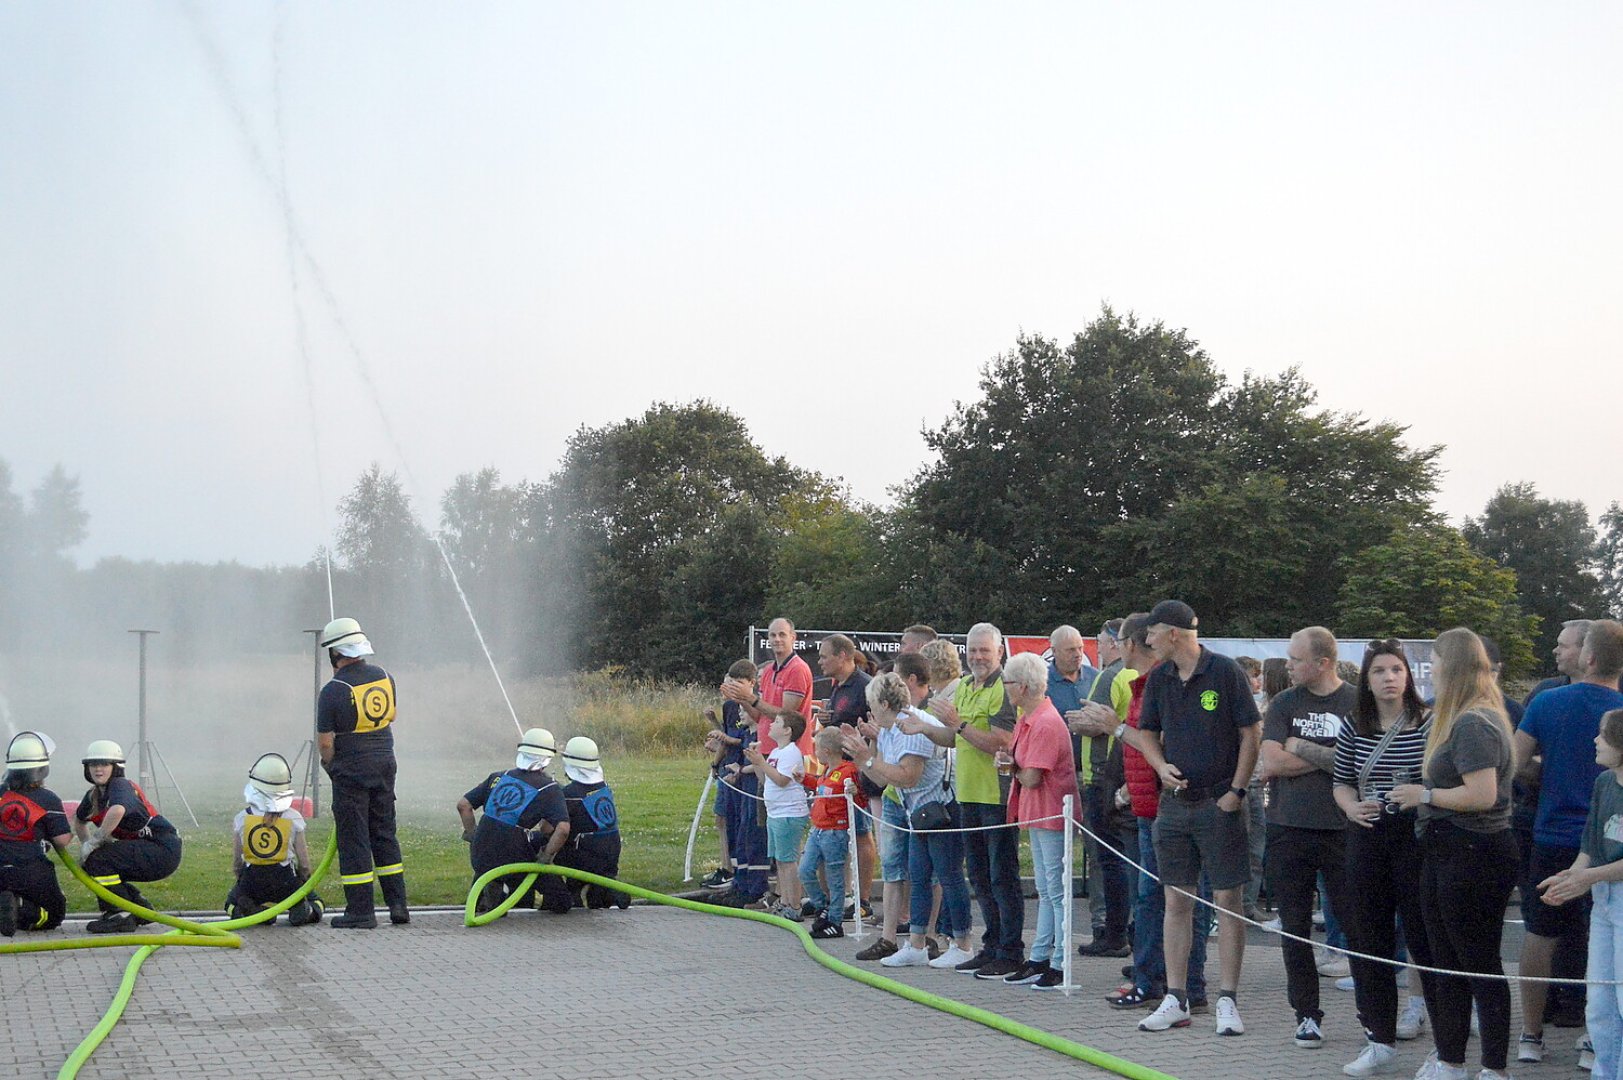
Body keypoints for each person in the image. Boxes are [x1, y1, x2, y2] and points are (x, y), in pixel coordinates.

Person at [1121, 599, 1261, 1038]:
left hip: (1219, 802)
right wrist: (1160, 767)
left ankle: (1227, 999)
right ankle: (1176, 997)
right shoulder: (1160, 677)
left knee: (1227, 901)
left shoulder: (1224, 672)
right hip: (1175, 806)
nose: (1146, 641)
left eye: (1152, 633)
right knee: (1176, 901)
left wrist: (1236, 792)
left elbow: (1251, 732)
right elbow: (1147, 731)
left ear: (1174, 633)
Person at [1389, 627, 1519, 1080]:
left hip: (1475, 849)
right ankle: (1450, 1058)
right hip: (1446, 847)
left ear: (1453, 665)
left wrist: (1423, 794)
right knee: (1443, 961)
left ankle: (1493, 1066)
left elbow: (1482, 795)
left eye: (1436, 660)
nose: (1431, 669)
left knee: (1478, 961)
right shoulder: (1461, 717)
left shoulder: (1474, 721)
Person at [1513, 620, 1623, 1063]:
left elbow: (1514, 763)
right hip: (1609, 846)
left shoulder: (1548, 701)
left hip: (1556, 834)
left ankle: (1530, 1035)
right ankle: (1599, 1040)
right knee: (1605, 946)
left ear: (1588, 656)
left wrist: (1549, 773)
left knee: (1541, 933)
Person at [1333, 638, 1436, 1077]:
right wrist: (1352, 807)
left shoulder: (1428, 722)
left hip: (1415, 838)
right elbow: (1340, 782)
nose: (1390, 678)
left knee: (1425, 937)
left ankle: (1444, 1043)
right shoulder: (1354, 723)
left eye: (1397, 669)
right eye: (1380, 671)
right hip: (1368, 835)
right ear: (1367, 678)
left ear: (1408, 675)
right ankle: (1378, 1037)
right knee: (1367, 939)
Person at [1108, 613, 1213, 1012]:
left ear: (1133, 644)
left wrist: (1112, 727)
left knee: (1176, 898)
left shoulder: (1164, 684)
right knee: (1154, 897)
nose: (1117, 647)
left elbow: (1163, 743)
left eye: (1119, 639)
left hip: (1168, 807)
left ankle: (1182, 984)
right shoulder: (1143, 685)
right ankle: (1155, 978)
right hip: (1147, 804)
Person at [1260, 626, 1358, 1051]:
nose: (1288, 665)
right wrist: (1332, 758)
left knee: (1359, 925)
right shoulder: (1283, 703)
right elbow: (1273, 762)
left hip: (1346, 829)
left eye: (1296, 659)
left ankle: (1375, 1017)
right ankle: (1306, 1015)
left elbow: (1360, 762)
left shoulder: (1357, 702)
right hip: (1289, 828)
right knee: (1296, 928)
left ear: (1322, 663)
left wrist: (1306, 749)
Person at [843, 671, 974, 970]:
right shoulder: (888, 728)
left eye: (872, 703)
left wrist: (867, 758)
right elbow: (882, 778)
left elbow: (907, 776)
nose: (869, 710)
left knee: (949, 875)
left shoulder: (911, 725)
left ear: (885, 704)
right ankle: (916, 944)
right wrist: (862, 757)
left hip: (940, 809)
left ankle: (963, 944)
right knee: (918, 875)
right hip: (917, 813)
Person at [925, 622, 1024, 979]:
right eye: (973, 649)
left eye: (985, 650)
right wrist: (923, 727)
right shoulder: (966, 685)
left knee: (1002, 876)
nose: (978, 656)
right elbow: (954, 737)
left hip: (995, 795)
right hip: (966, 792)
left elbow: (1001, 742)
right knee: (979, 875)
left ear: (999, 652)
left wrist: (960, 723)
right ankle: (991, 945)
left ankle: (1011, 950)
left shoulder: (1003, 687)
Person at [1537, 708, 1623, 1080]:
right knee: (1600, 1002)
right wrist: (1568, 878)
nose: (1595, 741)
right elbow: (1590, 843)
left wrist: (1586, 878)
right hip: (1603, 902)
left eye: (1603, 735)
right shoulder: (1604, 783)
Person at [316, 617, 407, 928]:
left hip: (351, 770)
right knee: (384, 834)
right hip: (385, 764)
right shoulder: (386, 677)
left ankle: (361, 912)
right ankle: (398, 906)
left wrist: (330, 766)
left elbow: (326, 744)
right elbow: (389, 717)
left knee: (354, 839)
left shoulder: (332, 690)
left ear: (334, 654)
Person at [1000, 651, 1079, 990]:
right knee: (1047, 890)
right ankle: (1040, 957)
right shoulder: (1027, 719)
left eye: (1008, 683)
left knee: (1056, 890)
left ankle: (1059, 961)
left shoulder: (1045, 721)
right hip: (1038, 812)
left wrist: (1011, 766)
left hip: (1051, 813)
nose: (1005, 689)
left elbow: (1032, 776)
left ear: (1023, 685)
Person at [1046, 623, 1118, 955]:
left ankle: (1104, 925)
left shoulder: (1096, 677)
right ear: (1054, 651)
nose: (1078, 654)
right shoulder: (1044, 682)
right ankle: (1056, 930)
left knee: (1099, 851)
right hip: (1055, 777)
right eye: (1070, 649)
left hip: (1092, 775)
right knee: (1056, 855)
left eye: (1081, 647)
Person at [458, 728, 572, 916]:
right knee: (562, 902)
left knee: (493, 869)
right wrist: (545, 857)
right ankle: (502, 897)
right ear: (547, 758)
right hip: (514, 855)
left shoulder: (498, 776)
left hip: (481, 853)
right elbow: (563, 829)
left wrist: (473, 835)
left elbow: (463, 805)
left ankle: (491, 893)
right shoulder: (550, 788)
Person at [73, 740, 182, 934]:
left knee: (99, 859)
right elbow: (79, 820)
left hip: (162, 849)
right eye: (93, 764)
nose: (98, 769)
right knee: (98, 860)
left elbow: (117, 810)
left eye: (104, 764)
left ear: (116, 767)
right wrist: (86, 846)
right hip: (152, 848)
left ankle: (119, 914)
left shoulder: (120, 785)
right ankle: (138, 907)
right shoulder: (95, 794)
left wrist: (95, 842)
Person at [817, 633, 876, 921]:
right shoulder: (838, 686)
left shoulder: (864, 686)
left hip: (858, 773)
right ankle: (842, 895)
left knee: (862, 833)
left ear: (842, 656)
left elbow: (874, 726)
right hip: (837, 772)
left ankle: (864, 899)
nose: (820, 661)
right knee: (844, 835)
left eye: (825, 655)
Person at [226, 753, 324, 925]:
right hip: (285, 879)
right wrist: (302, 881)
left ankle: (253, 913)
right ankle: (306, 911)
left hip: (252, 879)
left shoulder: (241, 818)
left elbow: (236, 861)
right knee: (317, 902)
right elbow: (305, 863)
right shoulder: (294, 818)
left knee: (230, 904)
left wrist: (241, 881)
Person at [0, 731, 71, 936]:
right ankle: (20, 907)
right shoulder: (48, 799)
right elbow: (62, 840)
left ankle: (7, 904)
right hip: (31, 868)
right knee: (53, 914)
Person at [702, 659, 760, 892]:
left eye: (737, 683)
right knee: (724, 817)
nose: (731, 687)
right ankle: (731, 869)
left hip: (742, 767)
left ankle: (740, 873)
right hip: (728, 767)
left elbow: (741, 738)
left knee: (742, 821)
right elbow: (727, 732)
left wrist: (723, 742)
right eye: (730, 682)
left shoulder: (752, 706)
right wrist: (715, 728)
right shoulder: (728, 706)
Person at [744, 713, 809, 920]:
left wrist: (761, 763)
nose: (771, 724)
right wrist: (756, 762)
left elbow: (782, 780)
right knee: (780, 860)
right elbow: (765, 778)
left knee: (789, 861)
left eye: (777, 722)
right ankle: (785, 901)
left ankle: (795, 905)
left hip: (788, 813)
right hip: (775, 813)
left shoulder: (791, 752)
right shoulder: (775, 752)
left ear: (788, 730)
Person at [799, 726, 862, 939]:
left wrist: (855, 791)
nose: (814, 753)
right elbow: (820, 786)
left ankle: (835, 921)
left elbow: (859, 799)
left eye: (816, 749)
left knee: (835, 878)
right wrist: (803, 779)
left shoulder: (848, 771)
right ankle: (821, 905)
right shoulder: (826, 771)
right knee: (805, 869)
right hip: (818, 829)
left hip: (835, 831)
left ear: (826, 750)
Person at [722, 616, 814, 756]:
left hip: (789, 751)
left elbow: (786, 717)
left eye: (782, 634)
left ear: (793, 637)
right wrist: (740, 698)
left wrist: (751, 698)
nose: (777, 639)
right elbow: (760, 716)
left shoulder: (797, 669)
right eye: (773, 635)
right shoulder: (768, 670)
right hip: (767, 747)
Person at [555, 736, 627, 910]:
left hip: (586, 856)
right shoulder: (603, 787)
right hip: (610, 851)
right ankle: (607, 892)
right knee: (598, 893)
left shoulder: (570, 793)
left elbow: (555, 827)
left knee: (545, 842)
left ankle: (565, 895)